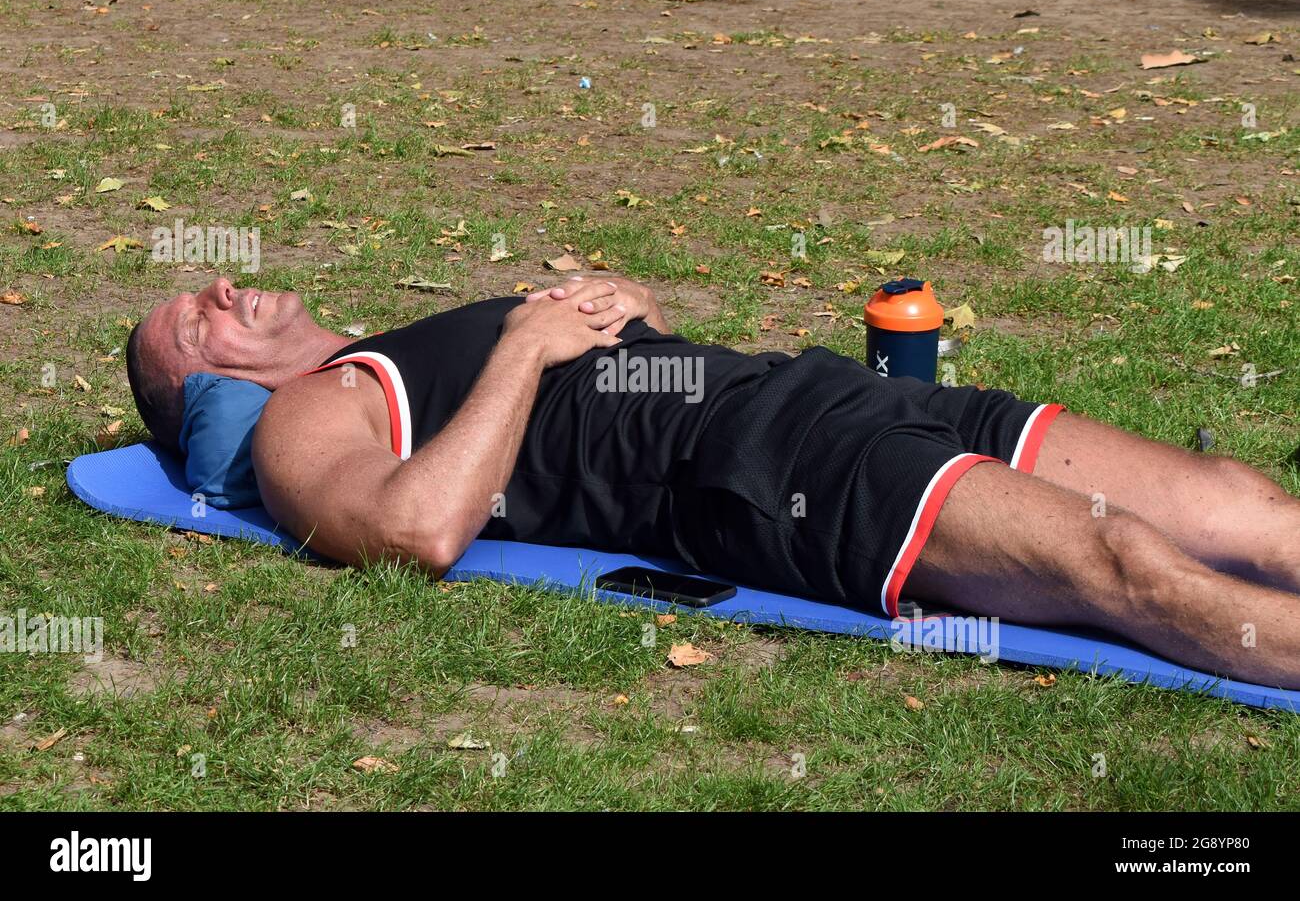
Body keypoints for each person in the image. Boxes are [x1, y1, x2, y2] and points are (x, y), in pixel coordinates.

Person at [126, 276, 1300, 687]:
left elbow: (611, 385)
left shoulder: (396, 343)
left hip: (823, 395)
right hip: (764, 469)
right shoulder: (303, 415)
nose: (225, 290)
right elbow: (420, 528)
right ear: (196, 385)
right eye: (197, 316)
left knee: (1239, 501)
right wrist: (526, 348)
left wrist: (630, 314)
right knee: (1128, 565)